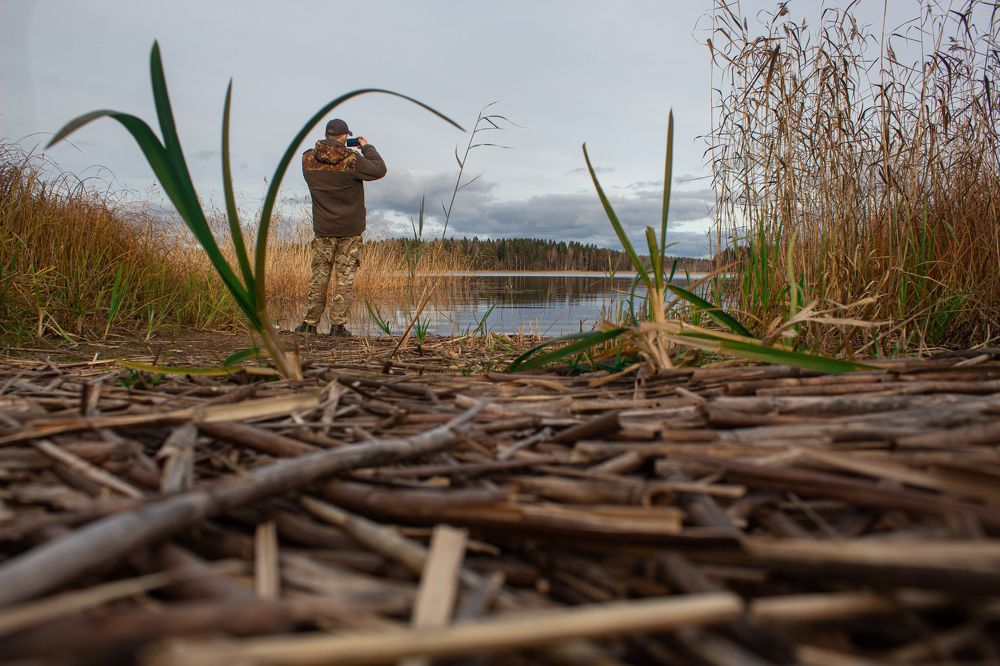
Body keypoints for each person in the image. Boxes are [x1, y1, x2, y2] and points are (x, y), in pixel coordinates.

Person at [295, 118, 387, 336]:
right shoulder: (352, 160)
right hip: (350, 230)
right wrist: (366, 147)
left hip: (323, 230)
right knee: (344, 280)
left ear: (326, 134)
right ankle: (337, 327)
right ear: (345, 136)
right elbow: (380, 169)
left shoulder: (307, 159)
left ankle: (309, 324)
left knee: (319, 277)